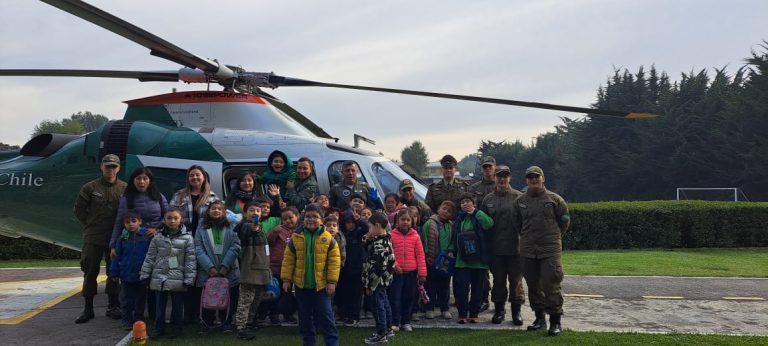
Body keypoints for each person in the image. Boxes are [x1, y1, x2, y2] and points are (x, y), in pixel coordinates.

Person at [513, 166, 570, 337]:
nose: (534, 180)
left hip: (549, 249)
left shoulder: (555, 199)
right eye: (530, 177)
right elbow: (517, 224)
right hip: (528, 250)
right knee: (533, 285)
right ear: (526, 181)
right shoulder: (520, 201)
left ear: (543, 178)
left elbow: (564, 222)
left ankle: (555, 321)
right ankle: (539, 318)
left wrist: (554, 237)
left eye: (536, 177)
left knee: (551, 284)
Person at [73, 154, 126, 323]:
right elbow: (79, 210)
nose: (110, 170)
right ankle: (88, 309)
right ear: (101, 167)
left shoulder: (124, 188)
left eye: (113, 167)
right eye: (107, 166)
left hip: (114, 238)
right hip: (93, 237)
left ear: (118, 168)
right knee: (90, 272)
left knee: (114, 273)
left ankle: (113, 306)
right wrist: (90, 225)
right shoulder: (90, 187)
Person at [109, 167, 168, 320]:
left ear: (150, 180)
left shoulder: (159, 196)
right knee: (135, 283)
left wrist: (157, 228)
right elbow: (119, 221)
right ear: (133, 181)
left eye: (145, 178)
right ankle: (132, 316)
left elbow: (168, 217)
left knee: (154, 280)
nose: (142, 182)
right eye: (138, 178)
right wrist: (113, 245)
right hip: (134, 243)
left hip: (156, 241)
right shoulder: (127, 198)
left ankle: (155, 315)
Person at [281, 203, 341, 346]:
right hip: (302, 286)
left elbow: (334, 262)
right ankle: (309, 342)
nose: (311, 219)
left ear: (322, 220)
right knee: (305, 318)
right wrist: (286, 279)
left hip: (322, 287)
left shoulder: (329, 239)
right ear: (303, 218)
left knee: (326, 317)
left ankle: (332, 343)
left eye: (315, 216)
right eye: (308, 216)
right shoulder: (296, 237)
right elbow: (288, 260)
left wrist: (332, 282)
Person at [170, 165, 218, 323]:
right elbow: (170, 216)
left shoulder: (212, 197)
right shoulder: (179, 196)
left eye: (198, 175)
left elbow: (220, 217)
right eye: (192, 175)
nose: (195, 178)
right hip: (183, 242)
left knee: (202, 278)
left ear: (204, 177)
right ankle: (188, 313)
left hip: (204, 244)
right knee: (187, 278)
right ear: (188, 178)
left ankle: (201, 313)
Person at [140, 208, 196, 339]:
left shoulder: (188, 238)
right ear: (164, 220)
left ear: (181, 220)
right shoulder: (157, 238)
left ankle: (177, 328)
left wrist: (189, 278)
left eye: (175, 218)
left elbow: (190, 260)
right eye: (169, 218)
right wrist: (145, 274)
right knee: (160, 307)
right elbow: (150, 257)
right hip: (160, 278)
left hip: (178, 278)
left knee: (177, 307)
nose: (172, 221)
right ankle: (159, 328)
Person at [480, 165, 525, 325]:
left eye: (505, 176)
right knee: (498, 282)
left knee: (516, 282)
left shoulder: (519, 197)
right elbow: (483, 226)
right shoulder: (488, 199)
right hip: (496, 249)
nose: (502, 179)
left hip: (515, 249)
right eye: (499, 176)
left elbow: (526, 223)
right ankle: (499, 311)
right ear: (495, 178)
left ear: (510, 178)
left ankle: (516, 312)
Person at [195, 200, 242, 334]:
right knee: (207, 297)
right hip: (208, 271)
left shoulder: (232, 226)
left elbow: (236, 246)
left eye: (219, 209)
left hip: (228, 270)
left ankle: (226, 322)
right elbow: (198, 248)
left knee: (228, 297)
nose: (216, 211)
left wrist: (225, 266)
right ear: (208, 212)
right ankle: (206, 323)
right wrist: (209, 267)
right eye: (213, 209)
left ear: (224, 212)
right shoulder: (201, 227)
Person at [448, 193, 494, 324]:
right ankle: (462, 314)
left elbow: (489, 224)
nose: (465, 204)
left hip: (478, 262)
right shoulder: (459, 219)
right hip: (462, 262)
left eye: (468, 201)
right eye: (463, 202)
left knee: (477, 290)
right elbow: (454, 238)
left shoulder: (479, 215)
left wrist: (476, 212)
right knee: (462, 289)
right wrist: (451, 250)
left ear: (474, 203)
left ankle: (474, 314)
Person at [234, 201, 271, 340]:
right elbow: (249, 230)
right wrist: (254, 226)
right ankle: (241, 327)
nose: (255, 213)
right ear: (245, 213)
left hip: (262, 269)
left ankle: (249, 323)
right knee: (245, 300)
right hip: (250, 269)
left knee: (256, 299)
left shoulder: (261, 227)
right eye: (251, 210)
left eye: (258, 211)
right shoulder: (246, 226)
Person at [110, 211, 151, 330]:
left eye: (134, 221)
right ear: (124, 224)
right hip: (126, 275)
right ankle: (127, 319)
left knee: (140, 299)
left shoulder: (146, 237)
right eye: (127, 222)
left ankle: (138, 318)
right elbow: (117, 257)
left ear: (140, 222)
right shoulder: (122, 239)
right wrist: (114, 272)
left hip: (141, 274)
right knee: (126, 299)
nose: (131, 224)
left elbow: (150, 255)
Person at [389, 209, 427, 332]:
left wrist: (422, 273)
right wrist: (394, 266)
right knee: (395, 298)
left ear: (412, 221)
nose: (405, 222)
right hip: (396, 274)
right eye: (402, 219)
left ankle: (406, 321)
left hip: (411, 273)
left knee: (409, 298)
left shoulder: (416, 236)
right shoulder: (391, 236)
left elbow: (420, 256)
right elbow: (388, 253)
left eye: (408, 220)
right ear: (397, 221)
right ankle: (395, 321)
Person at [362, 212, 396, 345]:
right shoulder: (384, 239)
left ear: (377, 226)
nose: (368, 230)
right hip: (383, 281)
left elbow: (378, 267)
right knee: (384, 303)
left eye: (370, 227)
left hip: (377, 282)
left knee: (378, 306)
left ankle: (381, 334)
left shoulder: (379, 245)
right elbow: (365, 245)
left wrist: (371, 285)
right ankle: (388, 329)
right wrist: (367, 238)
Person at [469, 156, 497, 312]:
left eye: (490, 166)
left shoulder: (500, 185)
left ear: (494, 168)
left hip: (498, 233)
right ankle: (483, 298)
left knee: (498, 269)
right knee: (481, 269)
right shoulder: (475, 188)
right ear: (481, 169)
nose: (487, 169)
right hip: (479, 233)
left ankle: (499, 302)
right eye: (485, 167)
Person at [422, 200, 456, 320]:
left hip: (445, 262)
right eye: (444, 208)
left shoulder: (451, 226)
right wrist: (427, 255)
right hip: (431, 260)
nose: (445, 212)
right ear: (438, 209)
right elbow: (424, 240)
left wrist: (451, 251)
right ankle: (429, 308)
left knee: (444, 286)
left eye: (449, 211)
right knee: (430, 285)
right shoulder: (429, 223)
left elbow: (453, 240)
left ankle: (444, 308)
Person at [266, 207, 300, 325]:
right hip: (277, 266)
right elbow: (269, 242)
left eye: (290, 217)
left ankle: (288, 314)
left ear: (298, 216)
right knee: (276, 292)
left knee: (289, 293)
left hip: (294, 268)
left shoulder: (301, 230)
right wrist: (274, 232)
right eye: (284, 219)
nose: (288, 221)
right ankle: (274, 315)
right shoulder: (278, 230)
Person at [337, 208, 368, 326]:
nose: (350, 225)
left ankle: (354, 316)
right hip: (343, 269)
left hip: (356, 268)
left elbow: (367, 228)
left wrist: (359, 220)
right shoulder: (341, 234)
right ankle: (344, 314)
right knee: (344, 293)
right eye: (347, 222)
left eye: (352, 222)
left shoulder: (359, 233)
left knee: (356, 294)